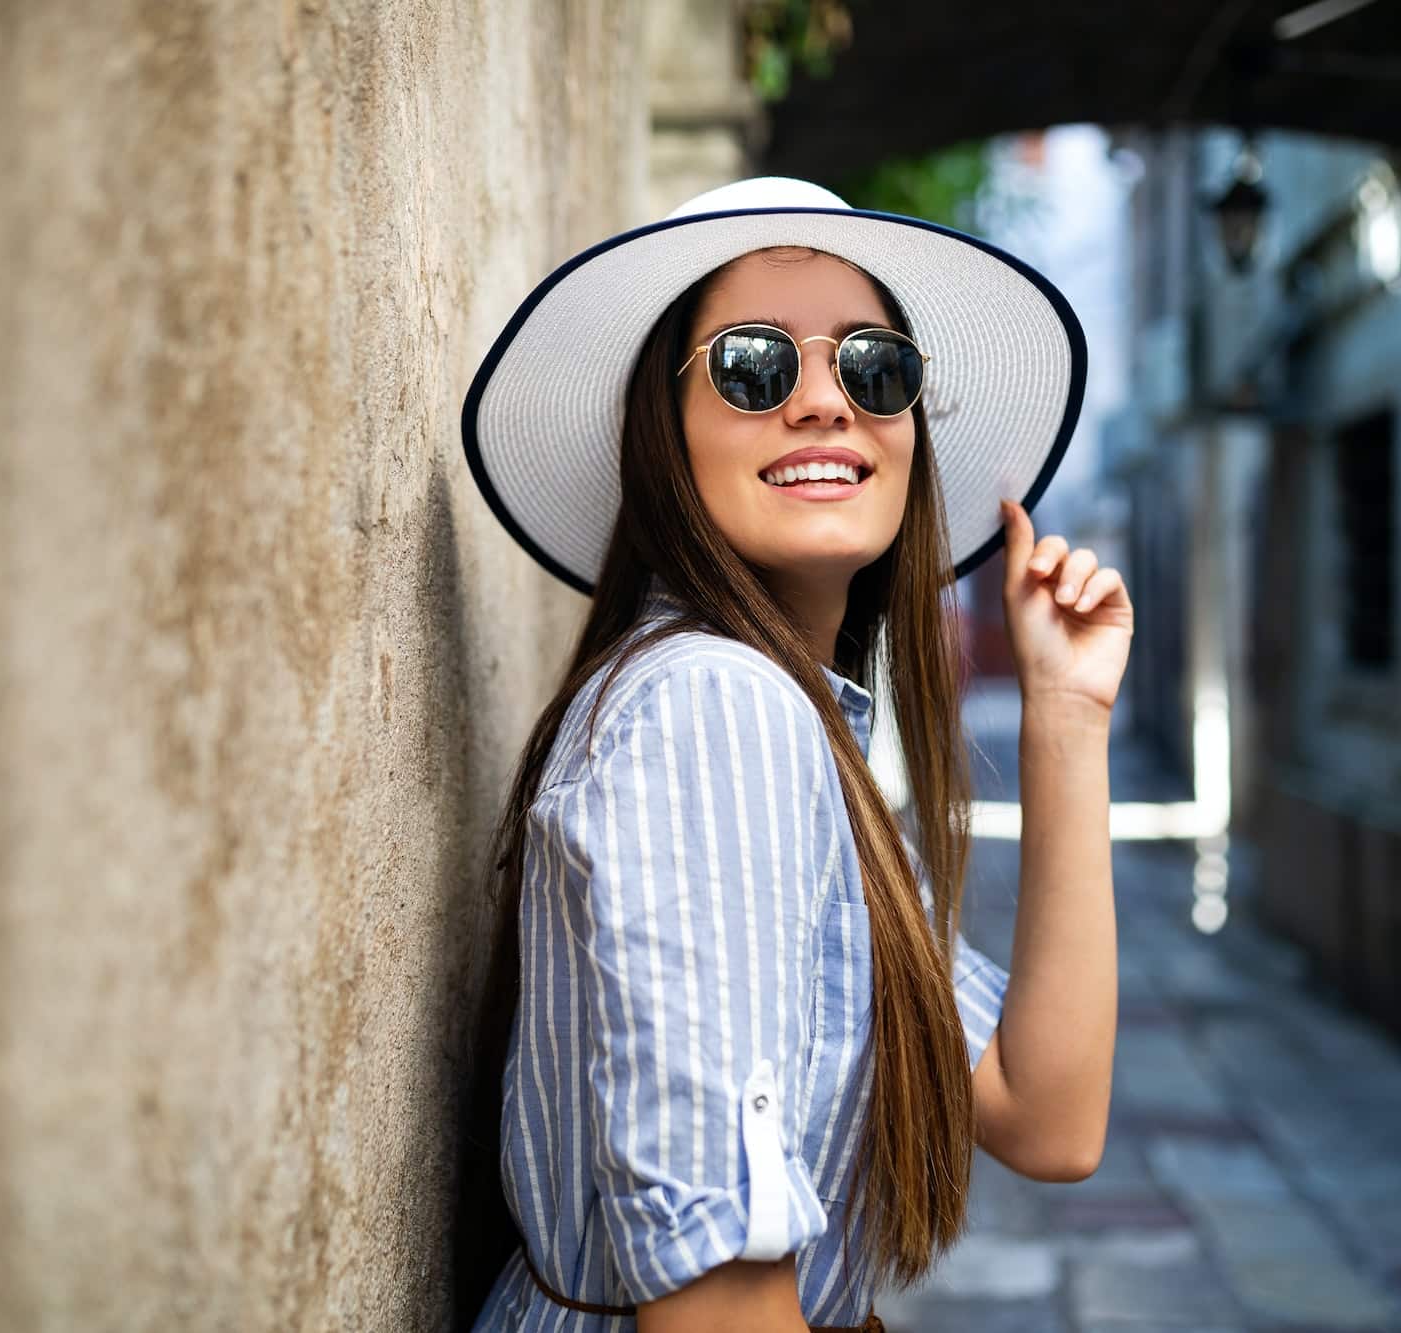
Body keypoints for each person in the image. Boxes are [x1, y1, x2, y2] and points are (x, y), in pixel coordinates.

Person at [457, 177, 1131, 1332]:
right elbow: (716, 1296)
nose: (825, 402)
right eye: (753, 366)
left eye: (872, 367)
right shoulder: (716, 710)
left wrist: (1064, 715)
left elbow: (1044, 1115)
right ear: (659, 432)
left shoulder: (793, 729)